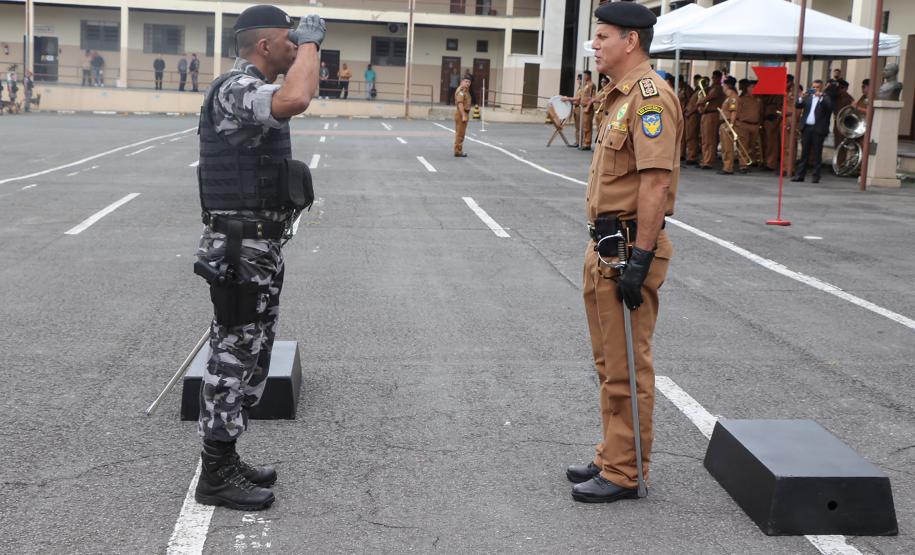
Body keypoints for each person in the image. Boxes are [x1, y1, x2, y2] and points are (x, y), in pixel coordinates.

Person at [193, 4, 324, 511]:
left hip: (259, 247)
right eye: (291, 38)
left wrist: (307, 46)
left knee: (253, 356)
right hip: (238, 249)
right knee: (231, 357)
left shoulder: (253, 87)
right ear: (265, 45)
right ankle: (216, 472)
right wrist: (312, 44)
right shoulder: (234, 88)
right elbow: (298, 96)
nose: (298, 46)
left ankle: (227, 456)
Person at [572, 1, 682, 504]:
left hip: (628, 249)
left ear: (630, 41)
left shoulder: (650, 97)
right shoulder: (619, 97)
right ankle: (610, 452)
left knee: (627, 365)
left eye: (602, 36)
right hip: (607, 245)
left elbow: (656, 182)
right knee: (607, 361)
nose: (595, 45)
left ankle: (625, 471)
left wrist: (639, 258)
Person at [791, 79, 833, 183]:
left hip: (818, 129)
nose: (815, 89)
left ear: (821, 88)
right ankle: (800, 175)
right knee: (804, 153)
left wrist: (821, 97)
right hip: (807, 128)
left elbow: (829, 107)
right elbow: (797, 105)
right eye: (813, 87)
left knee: (817, 153)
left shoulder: (825, 97)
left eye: (817, 87)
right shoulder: (808, 98)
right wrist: (801, 96)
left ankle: (816, 176)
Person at [565, 70, 597, 150]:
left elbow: (592, 98)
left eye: (585, 75)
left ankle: (587, 144)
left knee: (587, 126)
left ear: (589, 75)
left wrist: (587, 107)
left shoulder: (591, 85)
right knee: (582, 126)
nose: (584, 77)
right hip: (582, 107)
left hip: (587, 108)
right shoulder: (585, 85)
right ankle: (581, 142)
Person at [735, 79, 762, 173]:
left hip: (754, 125)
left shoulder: (758, 100)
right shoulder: (742, 99)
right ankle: (743, 165)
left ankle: (749, 162)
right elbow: (737, 112)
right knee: (743, 145)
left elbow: (760, 112)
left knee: (751, 145)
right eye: (752, 87)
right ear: (747, 88)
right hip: (744, 124)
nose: (754, 89)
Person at [699, 70, 724, 169]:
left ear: (719, 78)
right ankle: (705, 159)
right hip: (706, 113)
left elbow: (708, 98)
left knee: (710, 139)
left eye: (715, 78)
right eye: (713, 77)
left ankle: (708, 161)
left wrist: (700, 101)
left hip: (712, 114)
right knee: (705, 138)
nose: (713, 79)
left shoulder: (717, 88)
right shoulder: (711, 88)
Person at [717, 77, 738, 175]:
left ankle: (728, 167)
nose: (723, 87)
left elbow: (733, 112)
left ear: (727, 86)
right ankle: (726, 165)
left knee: (728, 147)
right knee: (724, 147)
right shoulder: (728, 97)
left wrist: (731, 125)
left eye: (724, 85)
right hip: (723, 123)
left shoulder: (733, 97)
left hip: (728, 123)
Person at [683, 75, 704, 165]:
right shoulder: (696, 91)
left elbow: (697, 104)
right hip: (689, 114)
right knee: (688, 136)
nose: (695, 83)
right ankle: (690, 155)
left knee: (692, 136)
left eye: (697, 81)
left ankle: (692, 156)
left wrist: (690, 112)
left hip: (693, 115)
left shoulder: (701, 92)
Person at [453, 74, 472, 157]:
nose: (468, 83)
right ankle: (458, 151)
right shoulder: (461, 90)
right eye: (466, 81)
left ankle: (458, 150)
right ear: (462, 82)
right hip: (461, 113)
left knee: (461, 133)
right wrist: (463, 115)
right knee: (460, 133)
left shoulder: (465, 90)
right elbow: (460, 103)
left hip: (463, 113)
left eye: (469, 82)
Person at [831, 79, 854, 144]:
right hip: (837, 123)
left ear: (845, 88)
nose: (838, 90)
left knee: (841, 144)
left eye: (841, 88)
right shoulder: (835, 96)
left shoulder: (848, 98)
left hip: (844, 125)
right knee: (837, 143)